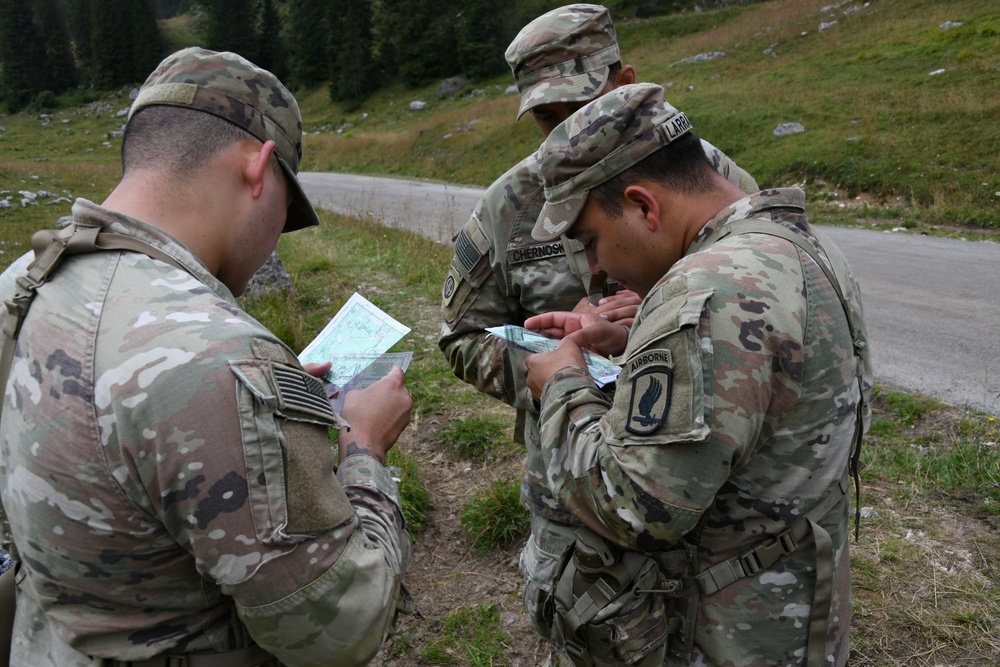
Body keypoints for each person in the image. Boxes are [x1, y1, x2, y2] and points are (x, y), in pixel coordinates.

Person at [0, 47, 412, 666]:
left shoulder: (22, 282)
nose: (275, 233)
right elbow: (339, 629)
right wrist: (366, 451)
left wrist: (265, 406)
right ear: (260, 167)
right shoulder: (219, 359)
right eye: (285, 212)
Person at [437, 3, 759, 659]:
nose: (563, 135)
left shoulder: (712, 178)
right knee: (590, 627)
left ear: (625, 83)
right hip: (572, 474)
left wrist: (653, 320)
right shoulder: (510, 206)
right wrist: (550, 365)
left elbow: (759, 311)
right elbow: (462, 336)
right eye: (548, 121)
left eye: (579, 109)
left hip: (699, 467)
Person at [520, 82, 872, 666]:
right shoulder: (795, 243)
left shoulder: (703, 293)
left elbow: (635, 507)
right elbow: (765, 380)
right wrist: (639, 340)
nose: (596, 269)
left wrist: (561, 384)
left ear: (643, 206)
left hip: (725, 632)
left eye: (590, 241)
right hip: (793, 607)